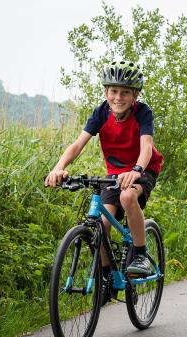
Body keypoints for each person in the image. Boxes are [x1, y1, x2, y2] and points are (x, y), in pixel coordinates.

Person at [44, 60, 163, 302]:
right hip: (114, 175)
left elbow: (146, 146)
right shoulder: (100, 113)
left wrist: (137, 169)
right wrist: (59, 167)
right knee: (101, 225)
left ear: (135, 95)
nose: (118, 97)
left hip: (144, 169)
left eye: (125, 92)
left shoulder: (143, 113)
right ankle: (108, 276)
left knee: (128, 196)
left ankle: (140, 254)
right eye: (114, 91)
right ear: (106, 92)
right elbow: (78, 144)